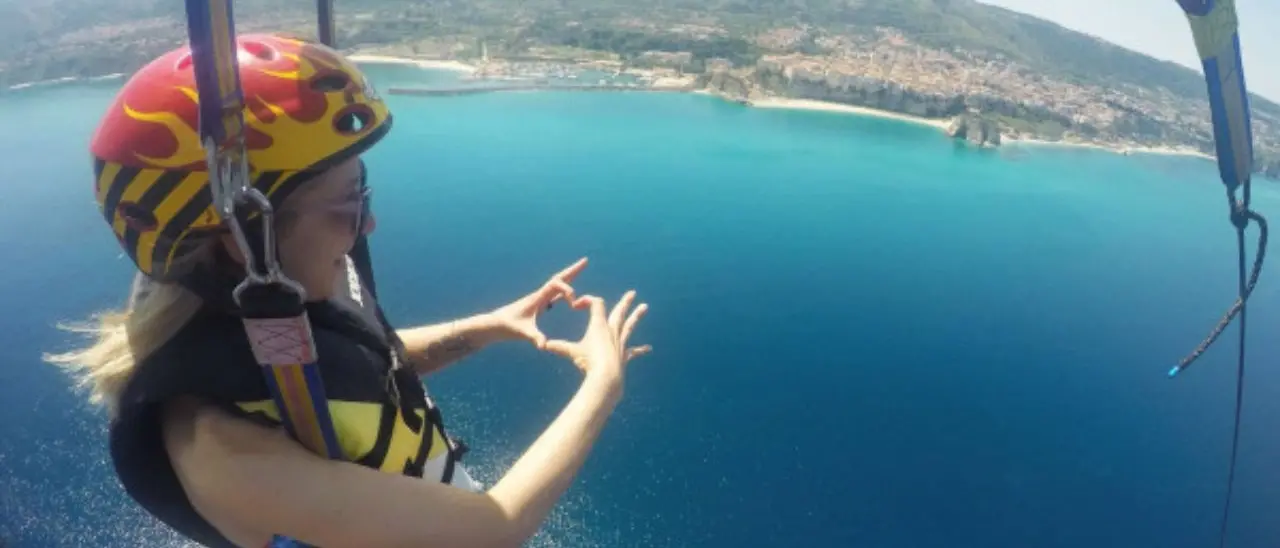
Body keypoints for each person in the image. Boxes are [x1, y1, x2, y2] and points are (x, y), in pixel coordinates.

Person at [45, 33, 652, 548]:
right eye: (347, 203)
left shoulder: (252, 323)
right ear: (244, 240)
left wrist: (490, 326)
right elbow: (494, 529)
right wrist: (605, 381)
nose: (369, 225)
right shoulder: (226, 455)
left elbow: (349, 373)